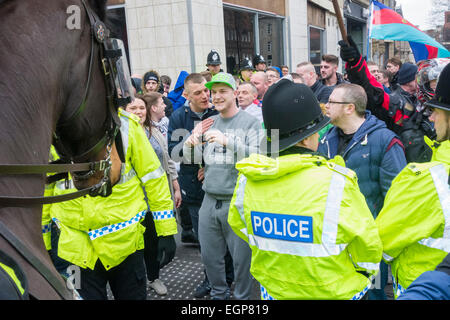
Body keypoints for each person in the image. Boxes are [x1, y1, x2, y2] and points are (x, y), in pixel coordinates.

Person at [228, 78, 382, 299]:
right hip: (332, 292)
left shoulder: (249, 179)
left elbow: (242, 226)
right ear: (311, 136)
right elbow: (368, 248)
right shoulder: (337, 182)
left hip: (274, 290)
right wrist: (361, 276)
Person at [50, 108, 177, 300]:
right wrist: (43, 241)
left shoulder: (126, 125)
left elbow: (154, 179)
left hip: (125, 245)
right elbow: (46, 188)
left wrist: (166, 231)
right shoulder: (53, 129)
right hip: (75, 250)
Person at [318, 83, 407, 300]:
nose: (326, 106)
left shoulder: (385, 140)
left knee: (373, 293)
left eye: (331, 102)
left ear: (349, 108)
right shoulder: (326, 138)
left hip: (369, 244)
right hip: (333, 240)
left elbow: (396, 198)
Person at [375, 62, 450, 299]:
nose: (433, 115)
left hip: (422, 285)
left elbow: (381, 241)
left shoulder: (426, 180)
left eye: (437, 109)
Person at [183, 72, 261, 300]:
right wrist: (191, 141)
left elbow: (261, 157)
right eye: (213, 92)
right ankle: (219, 296)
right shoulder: (209, 122)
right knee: (210, 257)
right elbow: (193, 159)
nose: (215, 96)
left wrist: (229, 141)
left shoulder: (251, 123)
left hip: (236, 201)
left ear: (235, 93)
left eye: (222, 91)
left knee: (241, 261)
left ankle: (243, 300)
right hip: (209, 199)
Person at [168, 73, 234, 298]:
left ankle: (228, 277)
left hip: (220, 187)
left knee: (227, 238)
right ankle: (211, 279)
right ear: (186, 95)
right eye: (199, 92)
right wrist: (192, 140)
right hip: (194, 190)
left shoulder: (218, 113)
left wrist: (211, 164)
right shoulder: (178, 118)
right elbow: (174, 153)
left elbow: (230, 147)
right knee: (206, 243)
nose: (206, 95)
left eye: (207, 90)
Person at [338, 36, 436, 163]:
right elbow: (373, 93)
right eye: (432, 84)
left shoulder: (444, 111)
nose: (436, 89)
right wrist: (355, 63)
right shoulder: (403, 106)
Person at [125, 95, 181, 296]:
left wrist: (174, 185)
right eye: (134, 108)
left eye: (142, 107)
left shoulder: (154, 131)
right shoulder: (120, 136)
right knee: (132, 245)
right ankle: (133, 280)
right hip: (131, 201)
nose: (139, 111)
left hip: (156, 198)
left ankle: (153, 277)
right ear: (124, 111)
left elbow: (167, 159)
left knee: (153, 242)